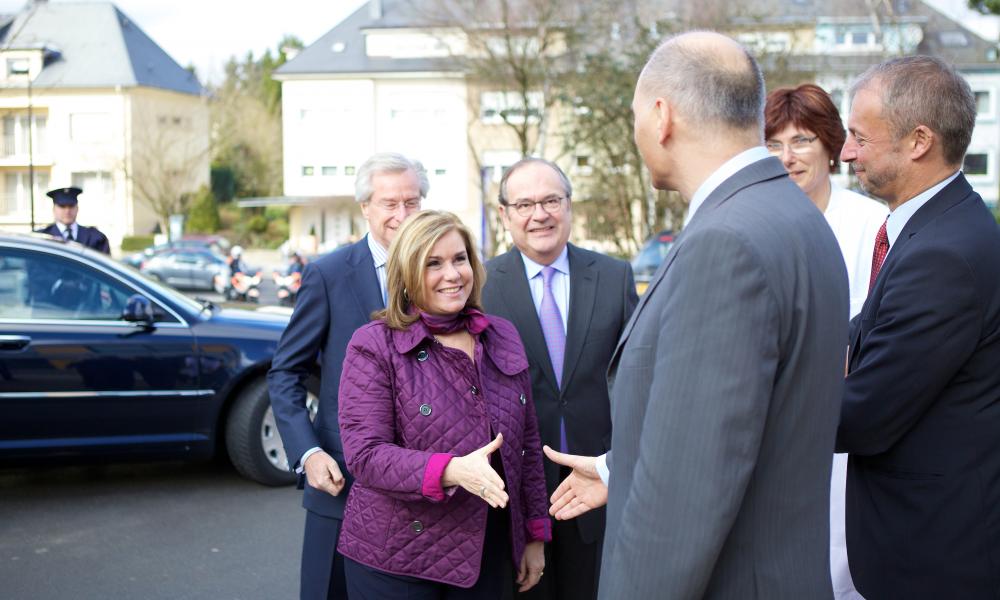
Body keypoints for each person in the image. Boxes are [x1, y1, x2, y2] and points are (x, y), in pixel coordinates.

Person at [544, 31, 848, 599]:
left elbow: (684, 497)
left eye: (635, 116)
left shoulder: (725, 243)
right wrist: (622, 466)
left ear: (661, 116)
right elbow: (734, 425)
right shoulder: (795, 215)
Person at [836, 56, 1000, 599]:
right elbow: (857, 340)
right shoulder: (934, 228)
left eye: (860, 136)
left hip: (933, 558)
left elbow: (860, 416)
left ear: (918, 141)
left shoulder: (943, 255)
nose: (847, 152)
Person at [336, 210, 551, 598]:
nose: (452, 275)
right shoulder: (373, 345)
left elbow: (528, 445)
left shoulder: (501, 335)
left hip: (487, 547)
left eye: (459, 259)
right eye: (433, 263)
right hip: (396, 557)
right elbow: (365, 456)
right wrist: (450, 470)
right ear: (406, 273)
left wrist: (534, 533)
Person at [267, 152, 428, 600]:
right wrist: (309, 452)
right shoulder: (328, 274)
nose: (401, 214)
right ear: (366, 207)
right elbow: (285, 373)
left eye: (411, 202)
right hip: (342, 480)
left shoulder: (442, 274)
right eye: (389, 203)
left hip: (424, 487)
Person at [481, 158, 637, 600]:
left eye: (551, 200)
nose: (540, 214)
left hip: (601, 484)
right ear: (505, 214)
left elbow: (632, 374)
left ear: (569, 206)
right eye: (525, 204)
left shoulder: (613, 275)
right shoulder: (482, 283)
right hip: (517, 495)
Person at [764, 83, 887, 600]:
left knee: (842, 552)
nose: (788, 158)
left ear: (831, 145)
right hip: (771, 423)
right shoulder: (755, 224)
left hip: (844, 423)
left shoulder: (871, 224)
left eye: (802, 141)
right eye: (773, 145)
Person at [36, 186, 110, 254]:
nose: (67, 211)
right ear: (54, 209)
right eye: (62, 206)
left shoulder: (96, 238)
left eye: (71, 206)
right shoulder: (41, 238)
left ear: (77, 208)